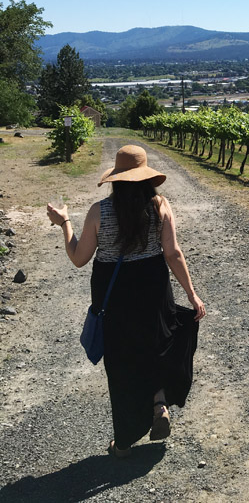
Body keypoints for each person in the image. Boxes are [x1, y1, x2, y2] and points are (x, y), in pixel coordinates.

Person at [47, 144, 206, 457]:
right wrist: (192, 294)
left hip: (114, 291)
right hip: (153, 287)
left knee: (121, 363)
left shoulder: (99, 211)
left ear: (116, 178)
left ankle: (123, 441)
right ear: (147, 178)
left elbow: (79, 258)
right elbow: (173, 254)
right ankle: (159, 402)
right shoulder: (160, 205)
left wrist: (64, 223)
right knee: (158, 344)